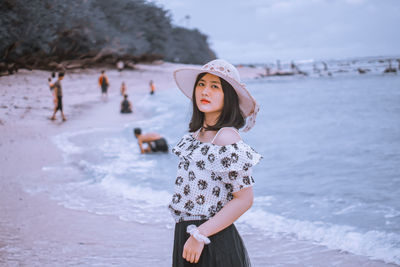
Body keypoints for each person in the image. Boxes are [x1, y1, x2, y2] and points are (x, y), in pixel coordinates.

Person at [169, 59, 262, 266]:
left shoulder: (226, 138)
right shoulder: (193, 137)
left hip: (212, 239)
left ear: (227, 96)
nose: (205, 91)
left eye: (214, 86)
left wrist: (200, 235)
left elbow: (244, 199)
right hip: (187, 236)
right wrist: (193, 237)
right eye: (201, 84)